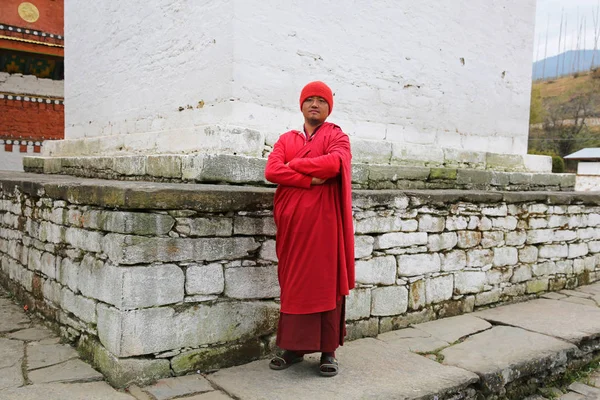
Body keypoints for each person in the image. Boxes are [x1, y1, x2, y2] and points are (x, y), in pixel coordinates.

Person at [264, 81, 355, 377]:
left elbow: (334, 165)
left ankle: (328, 351)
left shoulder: (336, 136)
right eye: (309, 100)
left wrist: (294, 166)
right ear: (301, 106)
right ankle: (293, 349)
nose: (315, 104)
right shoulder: (286, 139)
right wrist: (307, 179)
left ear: (329, 108)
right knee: (294, 285)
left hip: (325, 226)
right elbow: (271, 170)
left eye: (321, 101)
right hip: (292, 228)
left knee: (325, 283)